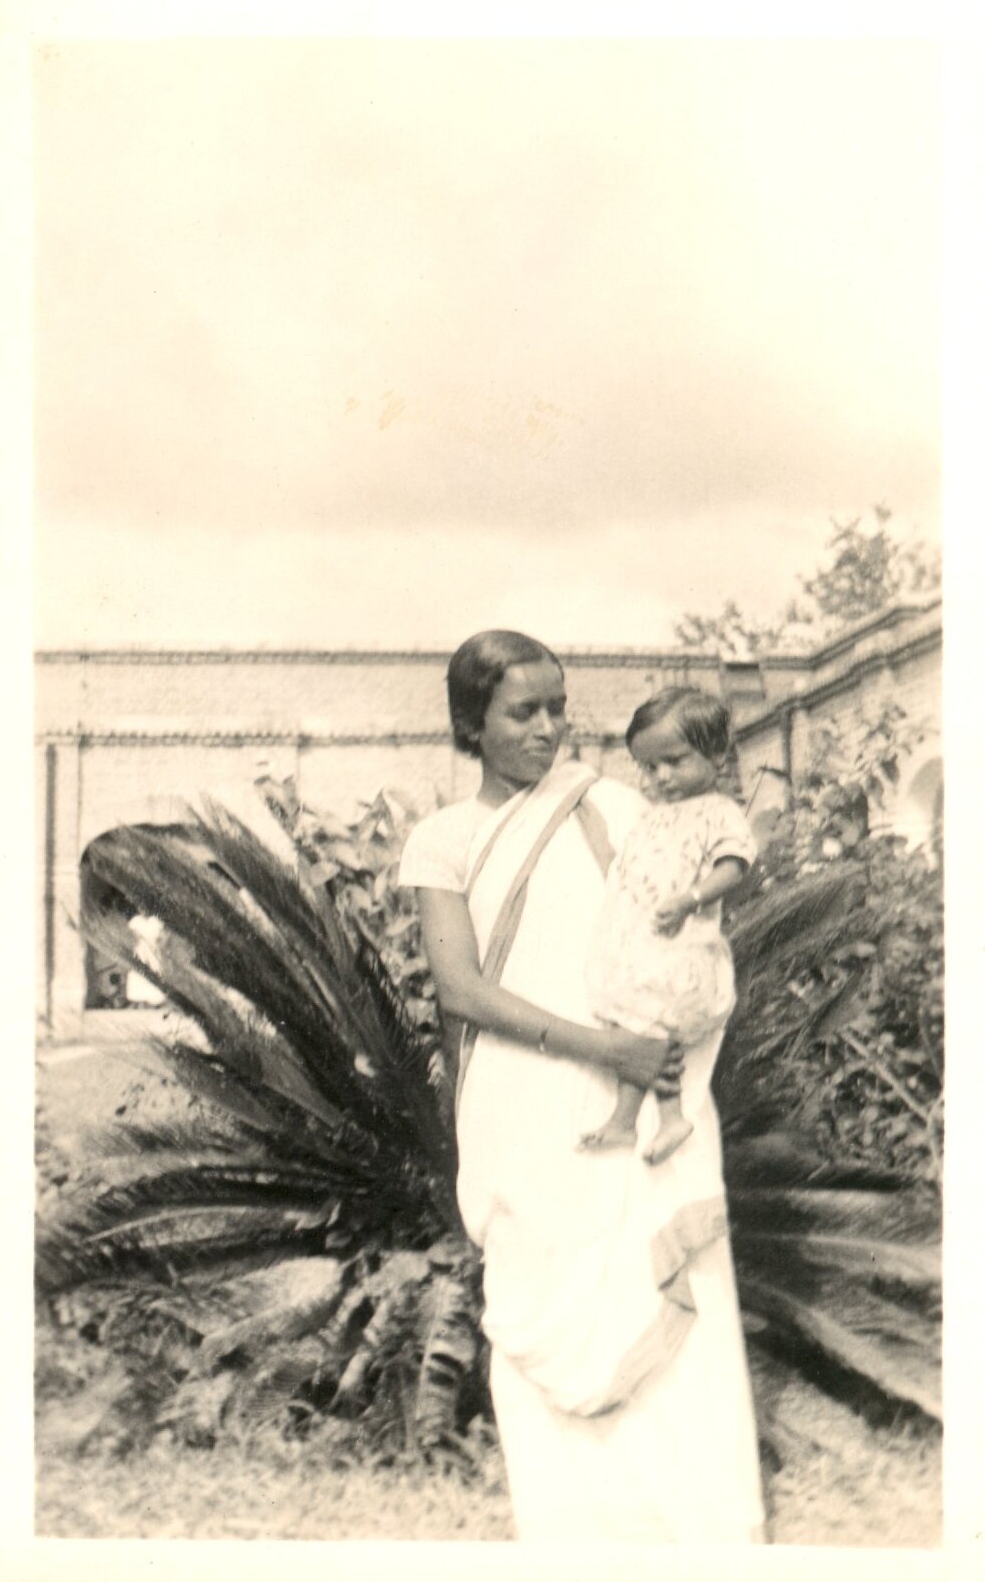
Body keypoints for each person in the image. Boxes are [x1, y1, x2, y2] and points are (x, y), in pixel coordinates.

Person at [398, 631, 765, 1541]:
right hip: (527, 1103)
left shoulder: (616, 805)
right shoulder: (444, 839)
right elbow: (462, 989)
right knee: (545, 1302)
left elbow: (690, 921)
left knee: (660, 1290)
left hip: (643, 1094)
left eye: (558, 705)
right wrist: (605, 1052)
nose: (550, 727)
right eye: (524, 711)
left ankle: (702, 1537)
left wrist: (650, 1041)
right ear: (468, 725)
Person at [583, 688, 756, 1164]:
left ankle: (634, 1120)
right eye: (649, 766)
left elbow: (734, 863)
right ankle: (663, 1119)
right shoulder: (655, 816)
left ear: (716, 755)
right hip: (643, 946)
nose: (660, 776)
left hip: (681, 946)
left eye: (674, 761)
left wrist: (691, 898)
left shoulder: (717, 811)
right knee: (643, 1028)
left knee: (652, 1026)